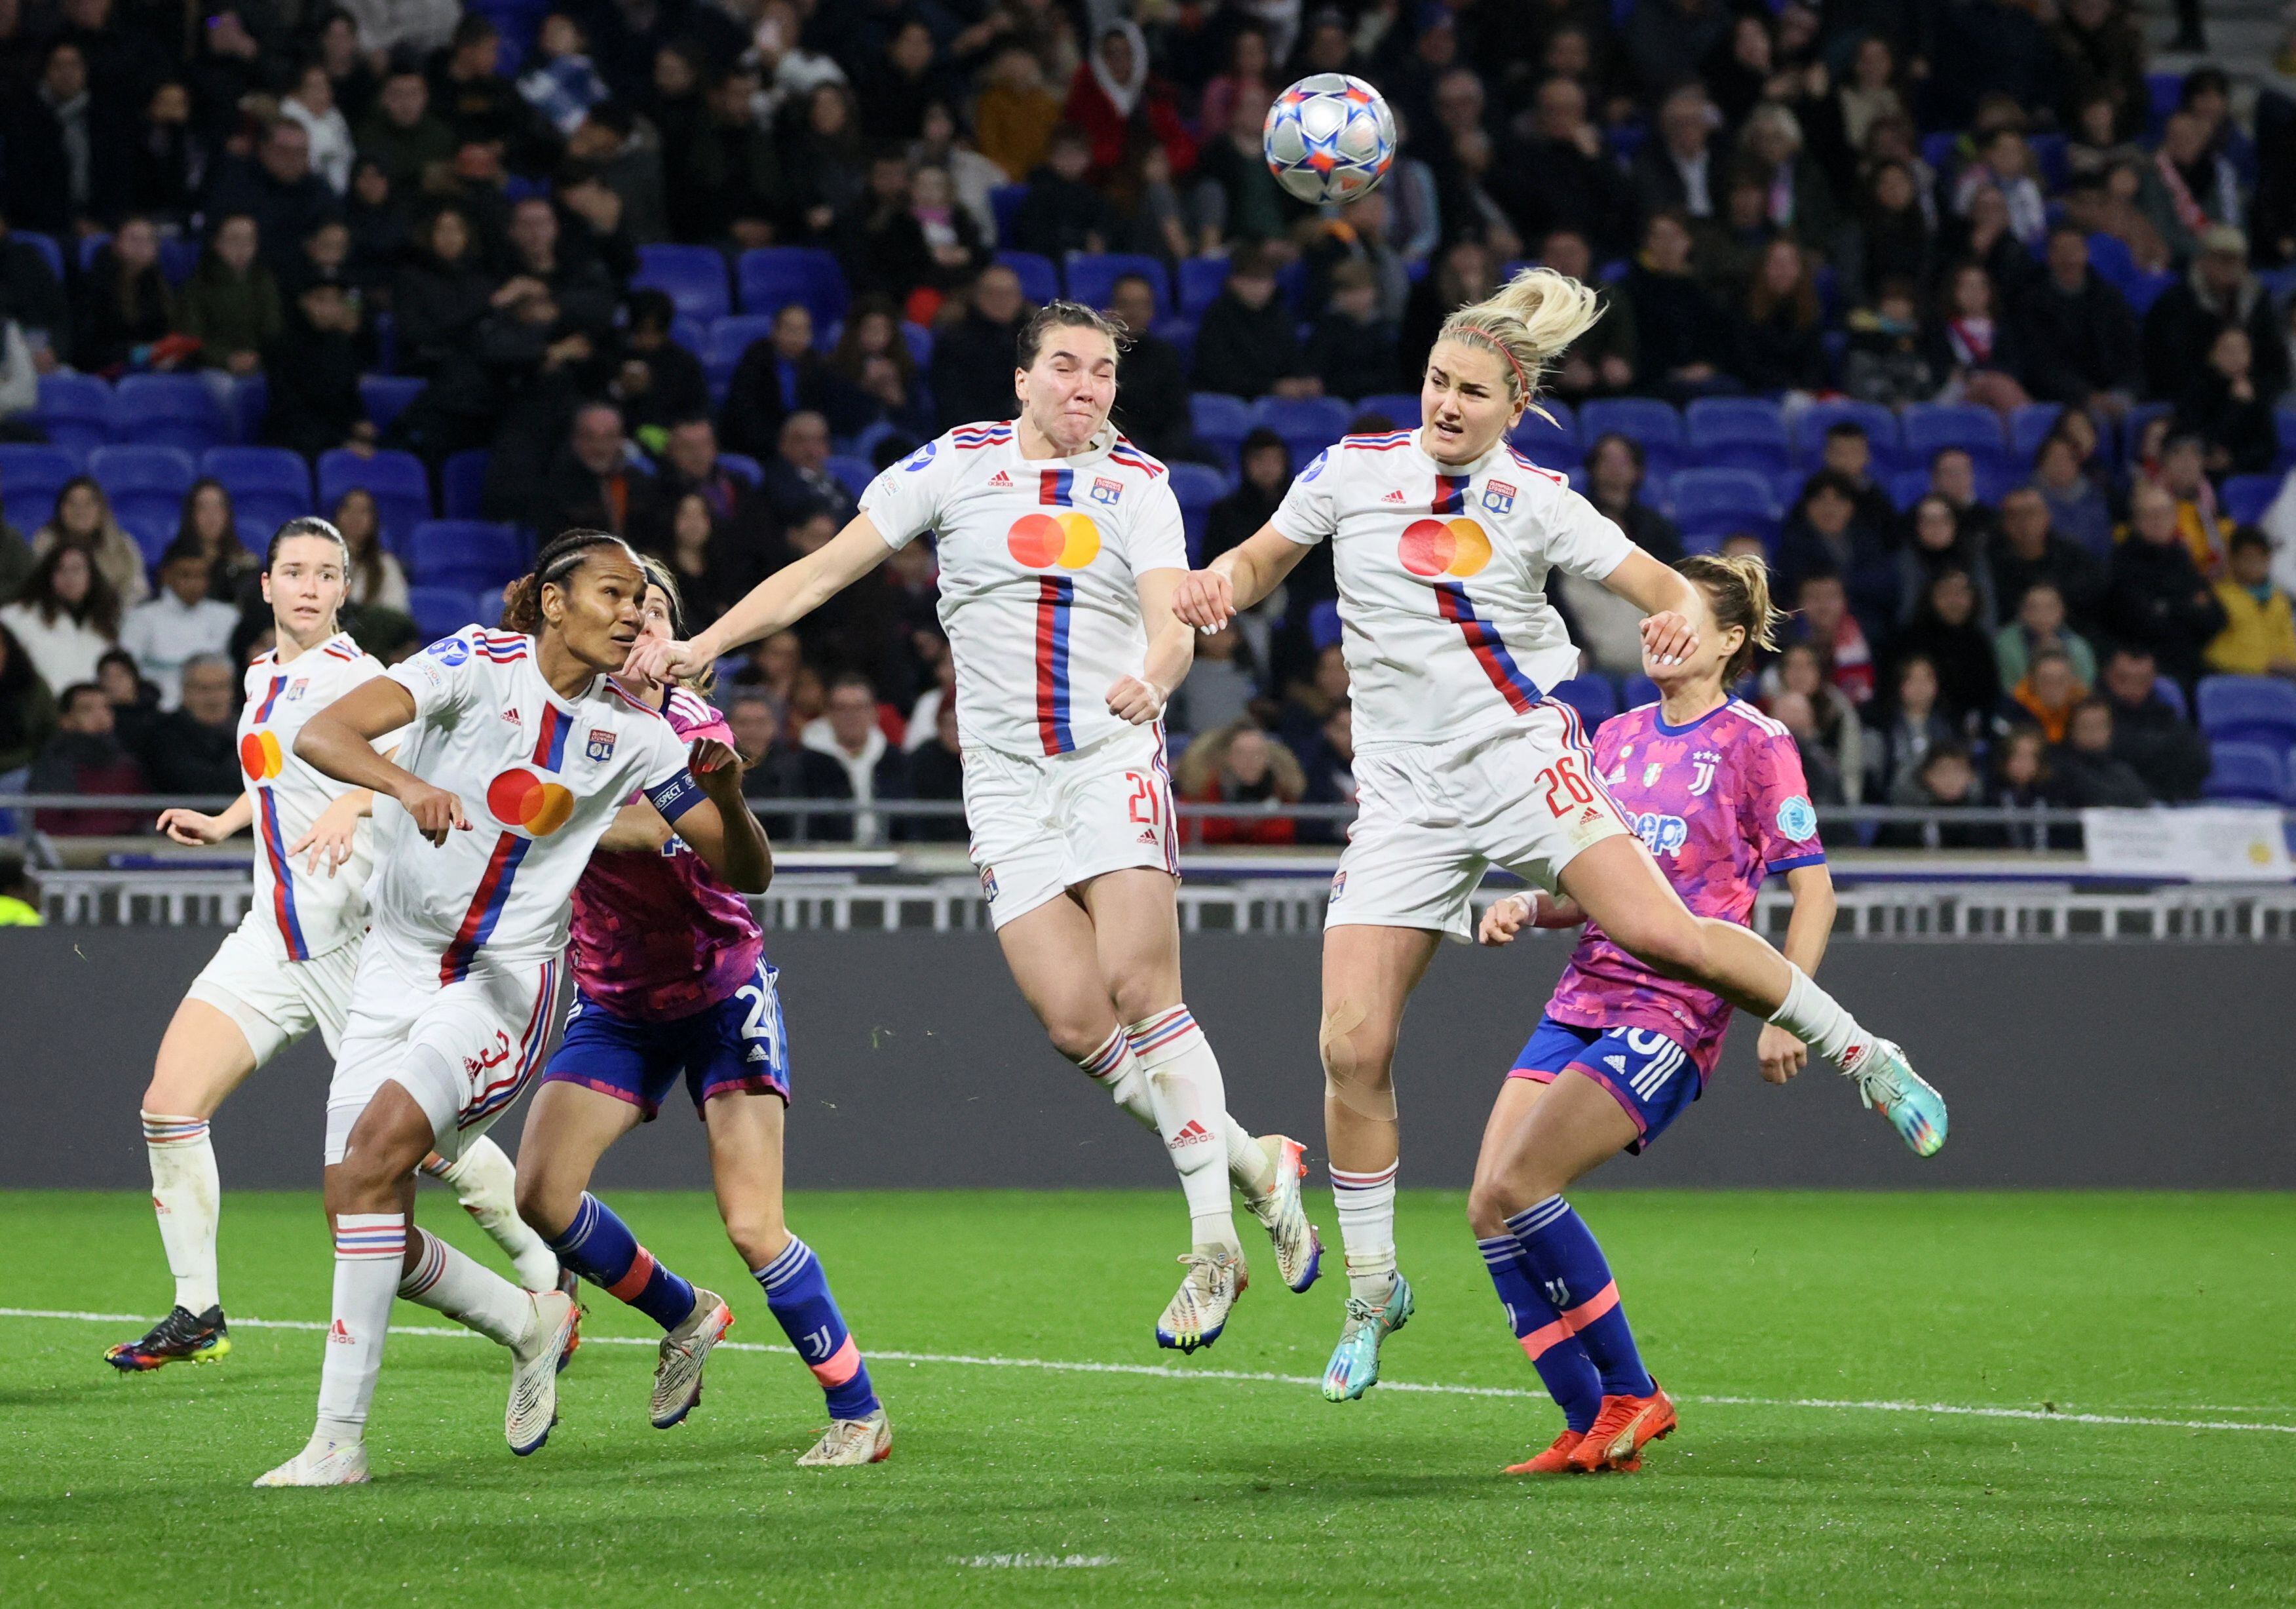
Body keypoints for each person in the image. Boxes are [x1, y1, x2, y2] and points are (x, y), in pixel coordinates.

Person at [1170, 266, 1945, 1406]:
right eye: (1436, 380)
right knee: (1348, 1043)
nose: (1445, 403)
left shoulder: (1536, 502)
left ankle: (1862, 1055)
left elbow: (1652, 589)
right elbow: (1256, 561)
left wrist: (1677, 633)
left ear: (1513, 400)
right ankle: (1373, 1287)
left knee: (1667, 934)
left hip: (1520, 764)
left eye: (1471, 392)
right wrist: (1213, 586)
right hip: (1400, 797)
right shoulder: (1348, 471)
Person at [629, 301, 1322, 1355]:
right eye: (1065, 367)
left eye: (1101, 373)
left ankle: (1214, 1240)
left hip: (1108, 762)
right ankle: (1259, 1162)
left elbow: (1169, 619)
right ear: (1022, 380)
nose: (1085, 387)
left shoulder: (1138, 484)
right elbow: (823, 571)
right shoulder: (955, 465)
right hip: (1002, 786)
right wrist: (704, 640)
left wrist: (1153, 676)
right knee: (1077, 1024)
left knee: (1144, 990)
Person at [256, 528, 771, 1486]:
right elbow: (321, 733)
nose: (630, 613)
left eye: (639, 599)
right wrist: (408, 785)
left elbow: (749, 869)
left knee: (375, 1157)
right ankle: (526, 1316)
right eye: (612, 594)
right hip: (393, 963)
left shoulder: (642, 733)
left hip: (501, 982)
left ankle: (338, 1443)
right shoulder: (471, 661)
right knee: (356, 1210)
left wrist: (731, 800)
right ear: (551, 602)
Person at [102, 518, 560, 1374]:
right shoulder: (260, 674)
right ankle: (197, 1307)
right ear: (267, 585)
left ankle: (542, 1265)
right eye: (294, 572)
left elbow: (419, 771)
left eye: (326, 573)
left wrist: (356, 805)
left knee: (428, 1146)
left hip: (356, 944)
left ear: (346, 591)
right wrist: (227, 818)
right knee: (169, 1104)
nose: (309, 587)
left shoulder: (360, 677)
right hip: (274, 935)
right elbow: (275, 771)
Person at [1470, 554, 1847, 1474]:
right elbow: (1590, 881)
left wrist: (1787, 1011)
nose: (1655, 626)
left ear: (1727, 640)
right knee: (1488, 1203)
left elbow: (1816, 889)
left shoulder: (1759, 742)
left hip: (1672, 1007)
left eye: (1678, 614)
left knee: (1526, 1185)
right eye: (1652, 611)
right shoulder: (1616, 735)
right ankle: (1588, 1422)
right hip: (1581, 992)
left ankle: (1636, 1393)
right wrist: (1534, 903)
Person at [513, 558, 887, 1466]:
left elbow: (658, 830)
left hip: (720, 988)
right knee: (539, 1196)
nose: (639, 631)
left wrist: (528, 810)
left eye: (656, 618)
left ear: (681, 647)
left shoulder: (692, 728)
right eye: (625, 614)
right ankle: (683, 1309)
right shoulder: (554, 723)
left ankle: (859, 1411)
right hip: (617, 997)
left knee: (755, 1222)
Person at [120, 541, 238, 708]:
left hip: (217, 714)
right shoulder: (141, 619)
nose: (195, 583)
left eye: (201, 576)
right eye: (186, 575)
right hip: (161, 716)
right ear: (166, 575)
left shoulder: (227, 616)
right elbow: (124, 674)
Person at [1, 541, 120, 697]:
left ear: (92, 575)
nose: (69, 577)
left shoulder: (105, 627)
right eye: (60, 569)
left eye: (76, 569)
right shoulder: (17, 618)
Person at [2206, 528, 2296, 680]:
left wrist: (2290, 664)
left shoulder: (2279, 599)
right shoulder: (2218, 597)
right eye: (2248, 558)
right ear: (2232, 559)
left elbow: (2289, 641)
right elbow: (2215, 652)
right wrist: (2265, 666)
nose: (2256, 564)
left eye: (2262, 557)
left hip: (2283, 678)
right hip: (2236, 679)